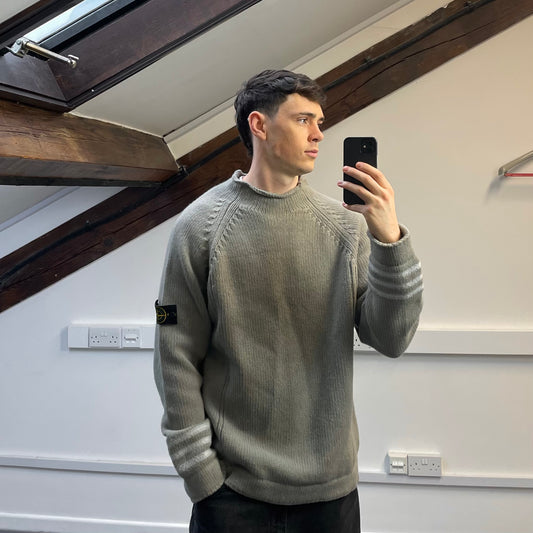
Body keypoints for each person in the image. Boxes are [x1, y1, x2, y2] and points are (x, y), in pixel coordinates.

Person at [154, 69, 423, 533]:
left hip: (330, 494)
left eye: (319, 122)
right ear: (259, 125)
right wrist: (201, 476)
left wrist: (390, 240)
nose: (318, 134)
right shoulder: (200, 226)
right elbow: (174, 355)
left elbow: (392, 338)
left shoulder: (347, 228)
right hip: (231, 495)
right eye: (303, 120)